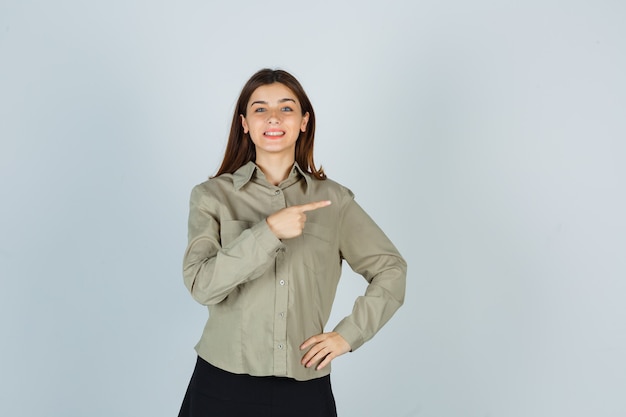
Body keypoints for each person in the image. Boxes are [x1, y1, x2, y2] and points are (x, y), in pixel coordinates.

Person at [178, 68, 407, 417]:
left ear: (303, 121)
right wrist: (267, 231)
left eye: (286, 108)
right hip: (222, 384)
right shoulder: (212, 197)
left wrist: (348, 335)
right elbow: (202, 286)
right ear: (244, 123)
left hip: (304, 388)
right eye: (260, 109)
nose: (273, 117)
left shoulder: (334, 201)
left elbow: (391, 269)